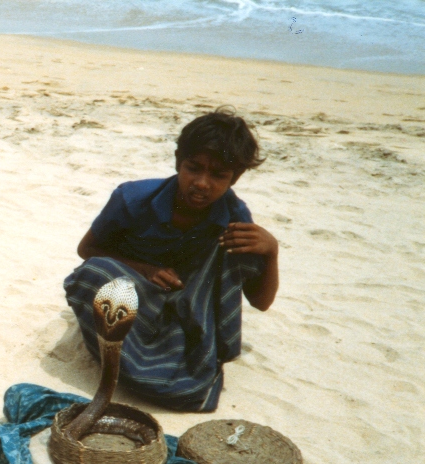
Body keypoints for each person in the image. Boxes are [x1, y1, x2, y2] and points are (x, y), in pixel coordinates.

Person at [64, 107, 279, 411]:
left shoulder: (234, 216)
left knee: (237, 246)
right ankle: (135, 363)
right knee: (94, 274)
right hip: (136, 298)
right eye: (194, 168)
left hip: (191, 312)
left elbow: (261, 302)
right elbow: (87, 250)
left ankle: (171, 364)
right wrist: (144, 269)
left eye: (218, 175)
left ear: (236, 177)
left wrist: (271, 251)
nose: (202, 183)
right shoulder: (133, 198)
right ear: (179, 160)